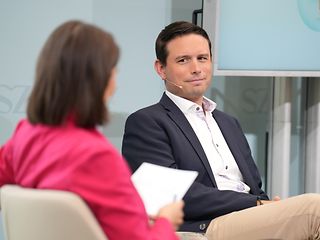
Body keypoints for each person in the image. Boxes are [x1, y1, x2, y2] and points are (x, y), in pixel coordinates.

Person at [121, 21, 320, 239]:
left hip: (248, 217)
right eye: (183, 60)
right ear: (161, 68)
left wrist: (269, 205)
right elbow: (173, 197)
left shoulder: (228, 123)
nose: (196, 68)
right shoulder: (147, 122)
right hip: (205, 226)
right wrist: (256, 203)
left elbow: (255, 188)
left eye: (202, 58)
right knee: (314, 209)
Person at [0, 20, 184, 240]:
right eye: (113, 72)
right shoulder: (97, 157)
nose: (115, 83)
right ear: (99, 80)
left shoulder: (25, 135)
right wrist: (166, 221)